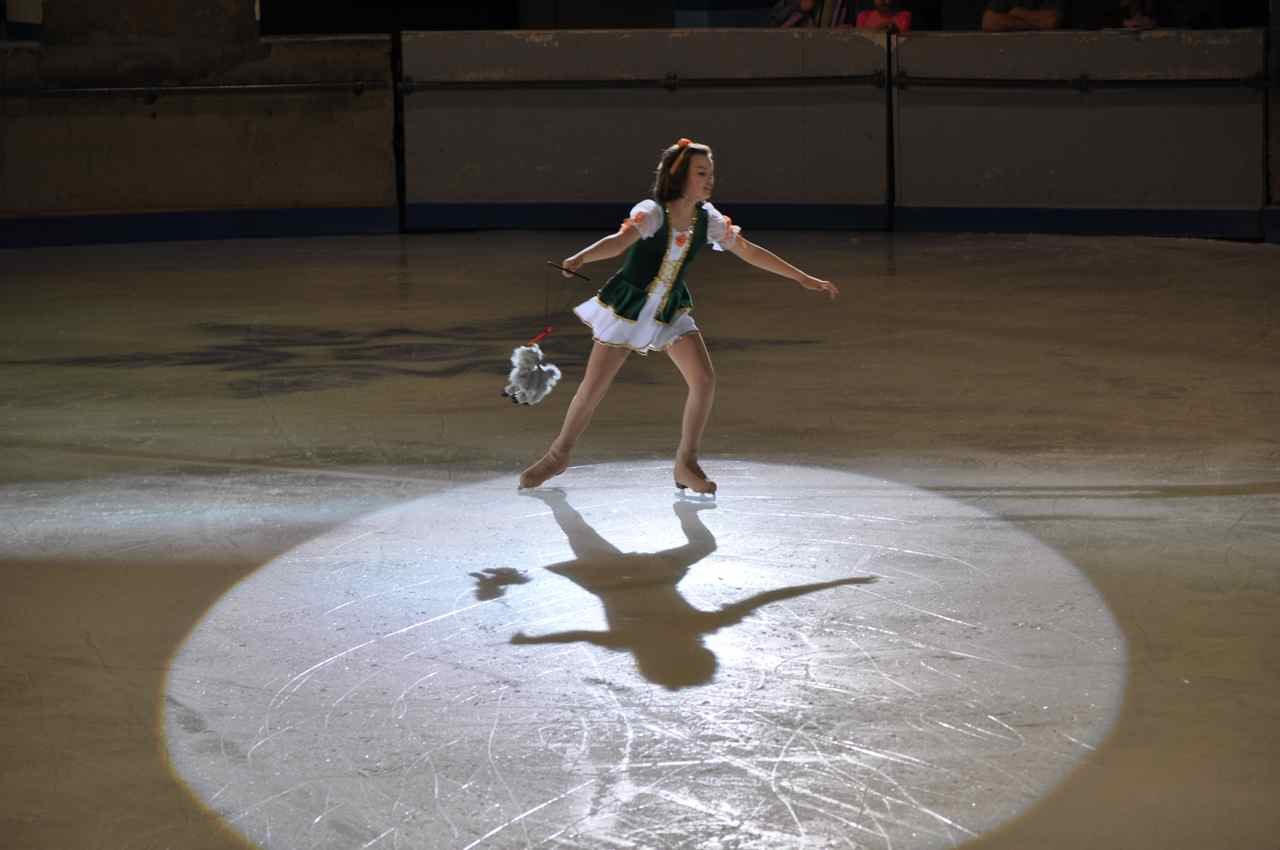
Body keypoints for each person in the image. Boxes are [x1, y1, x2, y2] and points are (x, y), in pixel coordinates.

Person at [518, 138, 840, 495]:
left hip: (670, 307)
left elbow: (748, 251)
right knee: (593, 389)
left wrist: (802, 278)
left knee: (703, 380)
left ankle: (686, 462)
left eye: (711, 173)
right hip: (630, 307)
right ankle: (558, 455)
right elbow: (620, 241)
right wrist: (583, 256)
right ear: (679, 177)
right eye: (701, 173)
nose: (709, 179)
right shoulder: (654, 212)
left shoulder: (708, 219)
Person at [981, 0, 1066, 30]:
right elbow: (988, 21)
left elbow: (1051, 21)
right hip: (1014, 52)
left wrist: (1017, 13)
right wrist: (1038, 23)